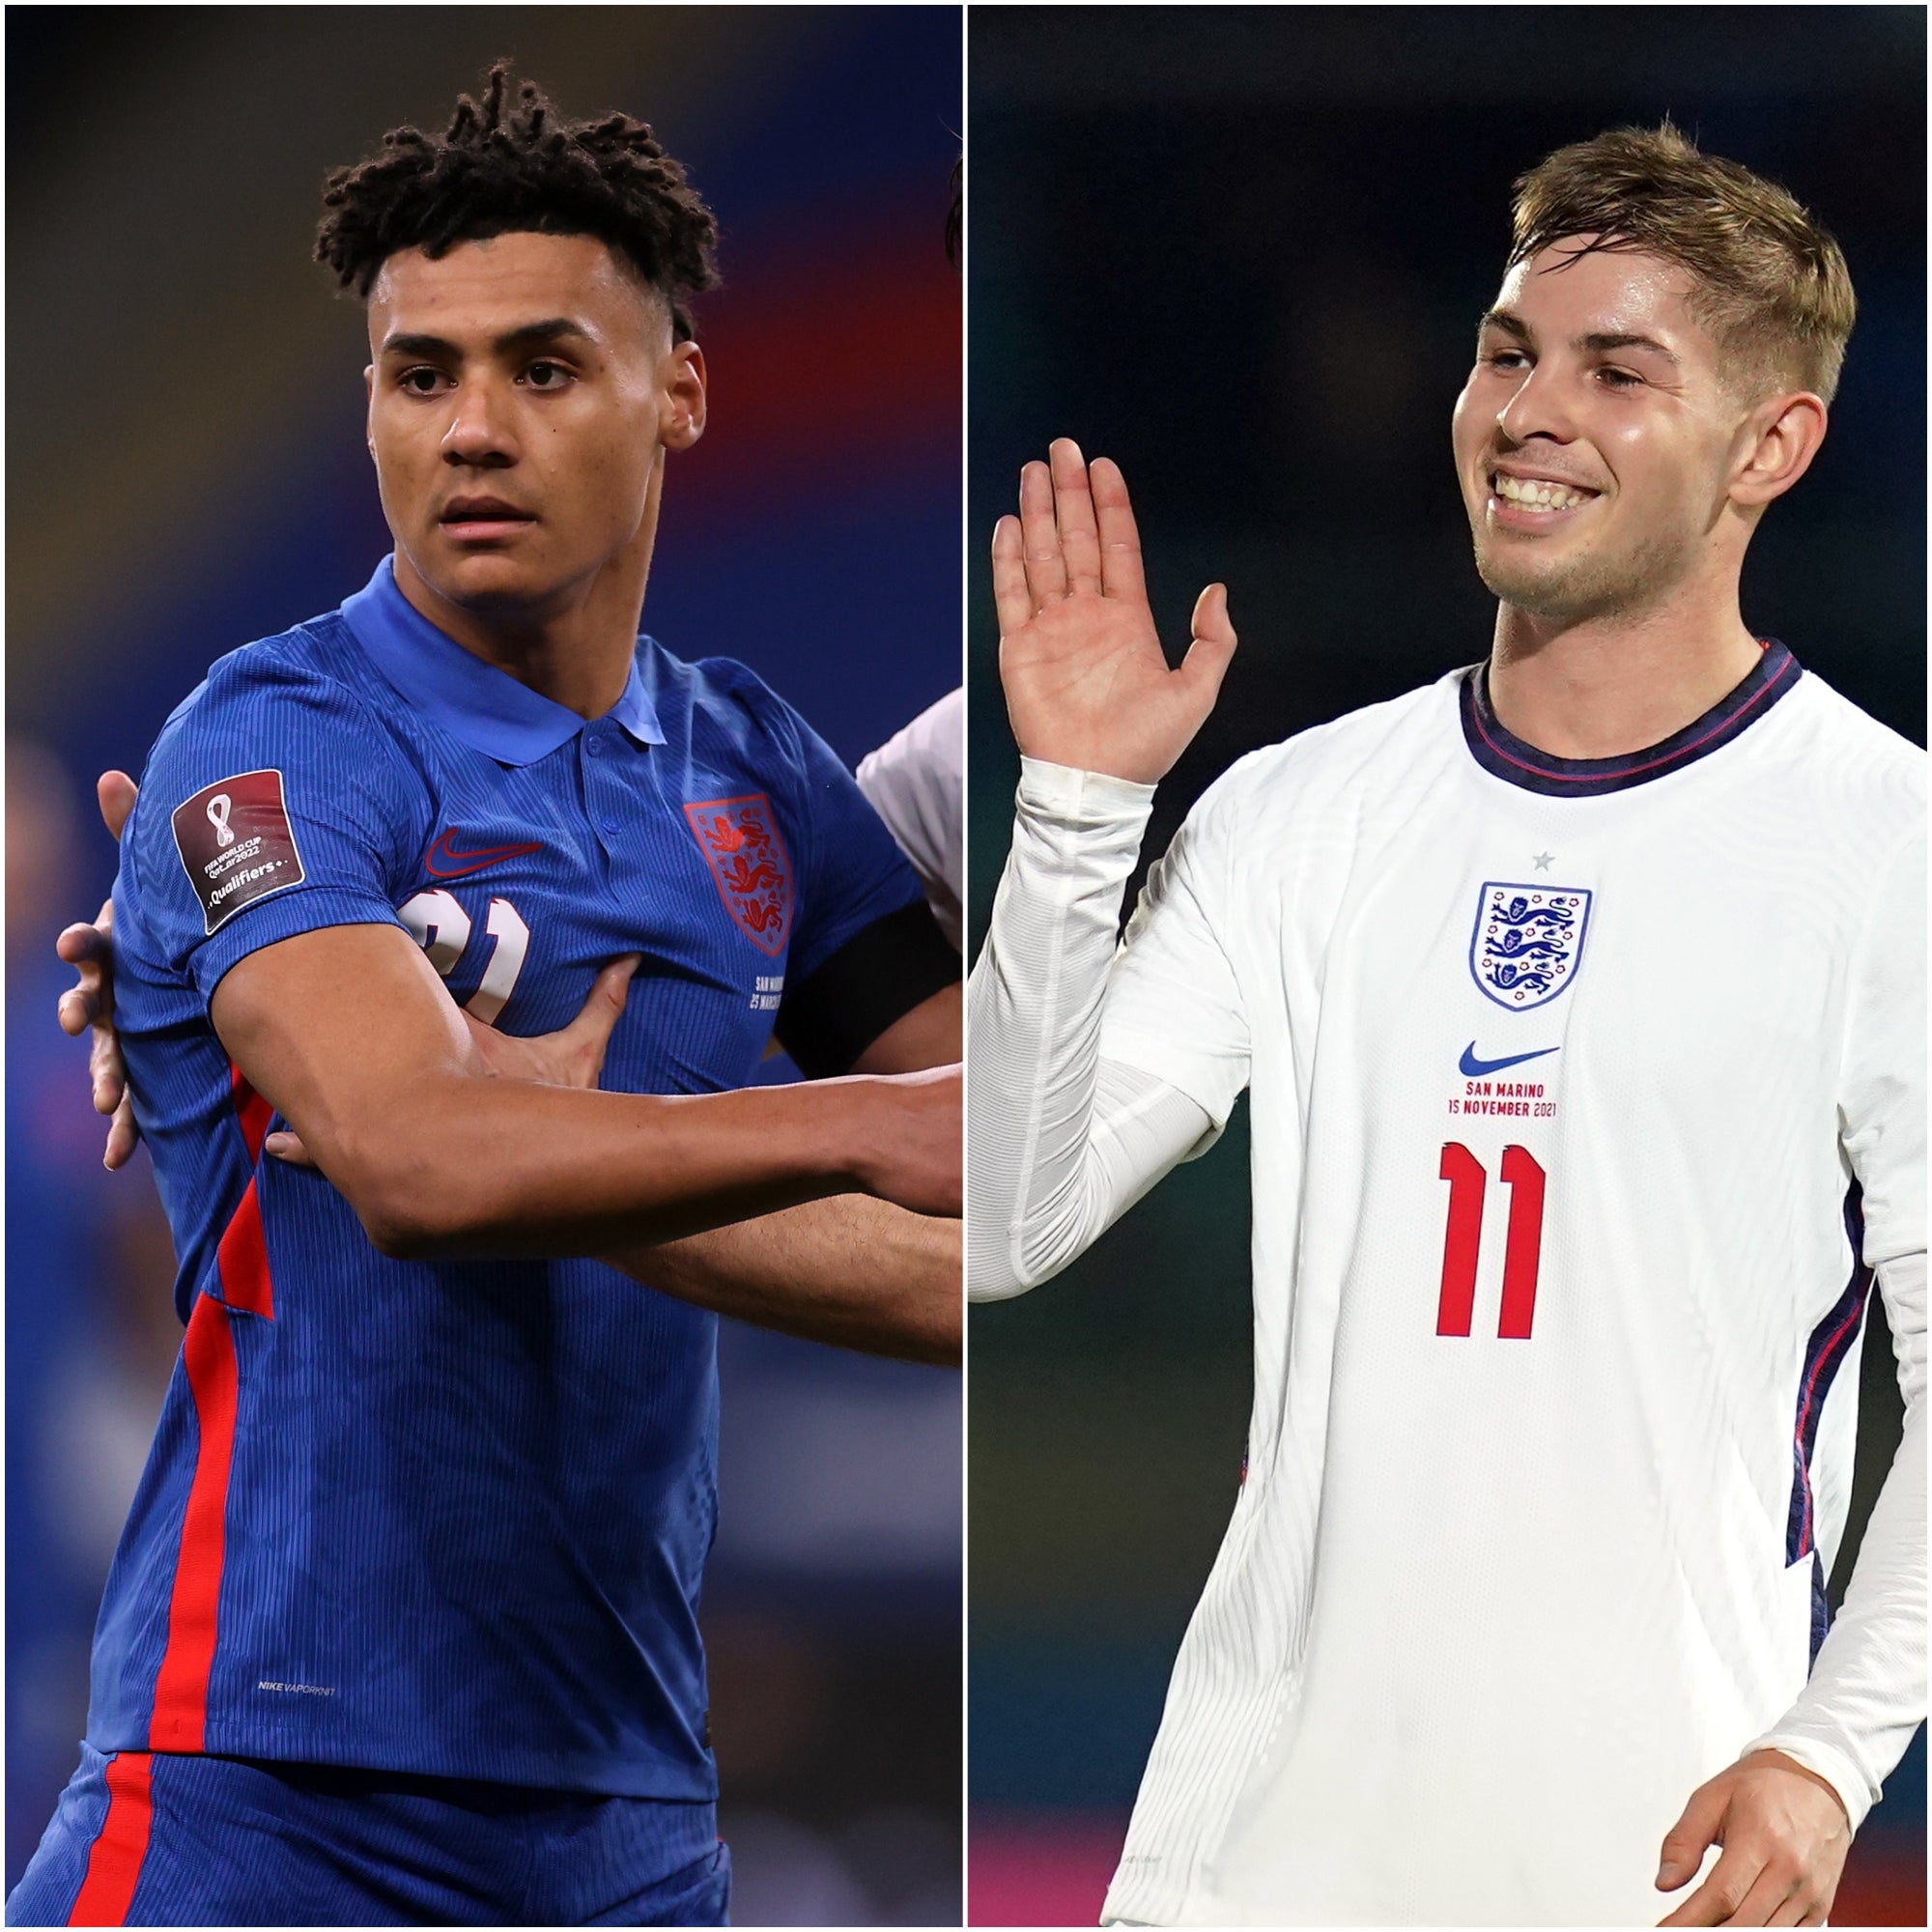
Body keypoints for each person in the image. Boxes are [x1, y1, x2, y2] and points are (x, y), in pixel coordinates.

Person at [11, 65, 959, 1929]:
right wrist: (871, 1127)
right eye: (418, 374)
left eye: (542, 366)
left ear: (678, 389)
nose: (470, 430)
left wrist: (598, 1160)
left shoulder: (753, 778)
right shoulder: (273, 739)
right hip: (260, 1801)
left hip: (619, 1825)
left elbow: (992, 1247)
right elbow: (420, 1162)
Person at [968, 124, 1922, 1927]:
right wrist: (1081, 813)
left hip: (1643, 1866)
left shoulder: (1889, 854)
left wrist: (1830, 1750)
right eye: (1506, 352)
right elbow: (1004, 1231)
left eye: (1616, 369)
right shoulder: (1296, 813)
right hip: (1246, 1872)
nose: (1527, 410)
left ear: (1772, 446)